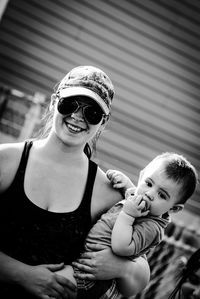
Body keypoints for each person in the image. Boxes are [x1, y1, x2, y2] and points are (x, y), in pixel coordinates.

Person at [0, 65, 150, 299]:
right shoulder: (6, 161)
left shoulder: (105, 192)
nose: (77, 117)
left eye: (92, 113)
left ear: (103, 122)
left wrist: (122, 267)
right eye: (70, 104)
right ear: (53, 102)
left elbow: (137, 281)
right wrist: (21, 274)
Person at [56, 152, 198, 298]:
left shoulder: (151, 227)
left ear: (174, 208)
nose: (149, 194)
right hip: (83, 259)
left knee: (53, 283)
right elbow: (132, 193)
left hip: (91, 275)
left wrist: (128, 215)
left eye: (162, 195)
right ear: (141, 176)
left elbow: (121, 247)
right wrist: (126, 183)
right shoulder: (139, 202)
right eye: (148, 183)